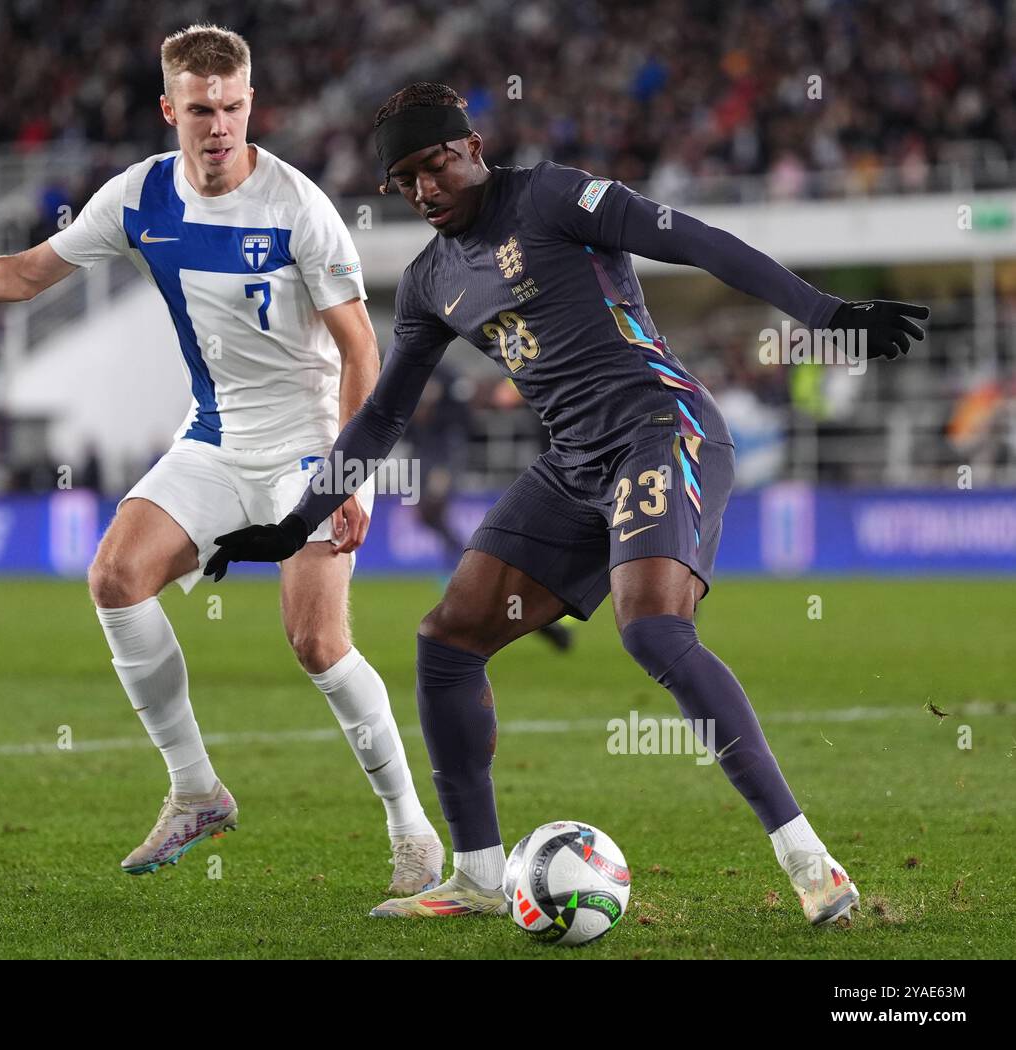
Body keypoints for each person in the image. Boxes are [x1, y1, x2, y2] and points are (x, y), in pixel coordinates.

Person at [203, 82, 929, 924]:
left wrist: (824, 312)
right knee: (446, 642)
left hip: (665, 429)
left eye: (434, 166)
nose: (425, 190)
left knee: (653, 629)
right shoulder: (434, 277)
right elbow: (384, 415)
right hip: (573, 464)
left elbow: (694, 240)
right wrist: (295, 524)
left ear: (472, 147)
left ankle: (810, 863)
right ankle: (476, 876)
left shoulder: (552, 195)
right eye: (404, 182)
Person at [0, 29, 444, 894]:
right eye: (201, 110)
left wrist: (343, 478)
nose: (219, 128)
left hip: (308, 448)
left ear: (251, 106)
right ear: (171, 109)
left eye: (234, 109)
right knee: (115, 577)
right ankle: (196, 790)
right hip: (212, 438)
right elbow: (26, 274)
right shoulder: (138, 199)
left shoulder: (299, 207)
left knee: (316, 642)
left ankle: (411, 830)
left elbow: (362, 350)